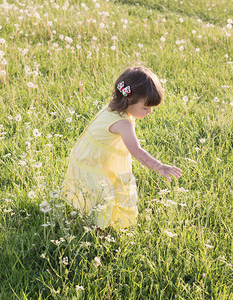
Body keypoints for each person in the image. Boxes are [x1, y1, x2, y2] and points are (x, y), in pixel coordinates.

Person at [62, 66, 182, 231]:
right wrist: (159, 167)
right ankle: (100, 233)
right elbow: (137, 152)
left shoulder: (112, 108)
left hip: (87, 157)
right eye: (146, 108)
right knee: (103, 200)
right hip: (94, 166)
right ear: (129, 100)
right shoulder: (123, 123)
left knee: (96, 198)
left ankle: (92, 223)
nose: (150, 112)